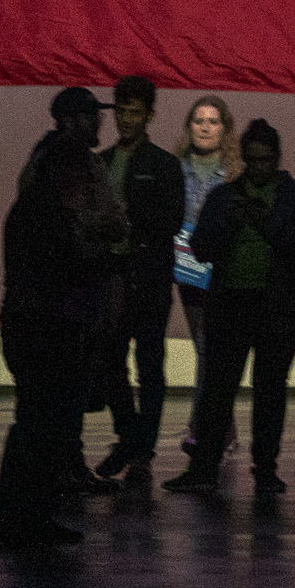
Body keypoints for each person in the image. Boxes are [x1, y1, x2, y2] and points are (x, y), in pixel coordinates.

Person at [179, 119, 295, 504]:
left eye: (263, 160)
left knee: (268, 389)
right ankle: (209, 468)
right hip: (234, 302)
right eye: (252, 160)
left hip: (274, 304)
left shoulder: (293, 196)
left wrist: (264, 222)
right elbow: (200, 248)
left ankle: (261, 469)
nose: (257, 167)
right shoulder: (228, 199)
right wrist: (232, 222)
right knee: (220, 389)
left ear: (276, 158)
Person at [0, 90, 115, 550]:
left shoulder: (32, 207)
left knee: (34, 422)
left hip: (34, 323)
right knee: (42, 423)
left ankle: (20, 513)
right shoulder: (48, 215)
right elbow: (68, 264)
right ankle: (26, 515)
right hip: (46, 324)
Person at [95, 75, 187, 485]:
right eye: (122, 111)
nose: (127, 120)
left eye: (135, 112)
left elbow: (171, 221)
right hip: (112, 274)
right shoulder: (100, 161)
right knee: (112, 360)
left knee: (148, 362)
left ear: (149, 115)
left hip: (147, 275)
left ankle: (139, 446)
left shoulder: (164, 164)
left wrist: (132, 216)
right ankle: (133, 439)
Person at [166, 91, 234, 469]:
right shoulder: (176, 168)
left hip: (223, 269)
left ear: (224, 128)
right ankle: (216, 426)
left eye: (212, 121)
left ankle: (205, 426)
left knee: (213, 351)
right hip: (188, 269)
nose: (205, 127)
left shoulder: (234, 170)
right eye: (198, 120)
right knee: (208, 350)